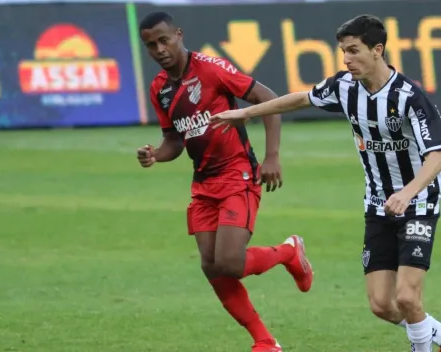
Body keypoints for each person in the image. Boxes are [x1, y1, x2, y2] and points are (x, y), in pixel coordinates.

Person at [209, 14, 441, 352]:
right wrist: (245, 113)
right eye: (343, 51)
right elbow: (301, 98)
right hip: (378, 204)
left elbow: (436, 155)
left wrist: (407, 193)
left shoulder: (409, 97)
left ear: (378, 50)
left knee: (407, 296)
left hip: (418, 201)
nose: (347, 59)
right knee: (381, 305)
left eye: (354, 50)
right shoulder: (344, 87)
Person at [136, 11, 314, 352]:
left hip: (238, 175)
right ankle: (264, 341)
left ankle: (289, 252)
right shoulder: (159, 88)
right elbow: (174, 141)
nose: (159, 49)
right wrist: (155, 155)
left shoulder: (211, 69)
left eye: (163, 40)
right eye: (150, 45)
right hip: (203, 184)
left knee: (230, 263)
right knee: (212, 267)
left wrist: (272, 156)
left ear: (178, 34)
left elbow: (268, 99)